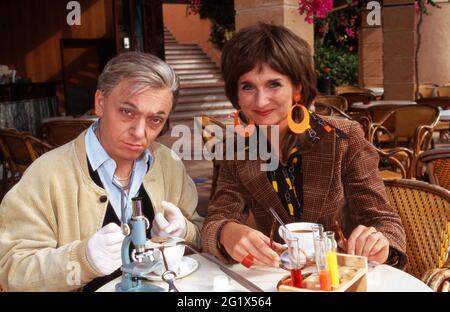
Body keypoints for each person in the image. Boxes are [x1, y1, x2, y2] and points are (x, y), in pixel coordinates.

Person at [201, 23, 406, 269]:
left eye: (273, 84)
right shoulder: (237, 150)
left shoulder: (342, 138)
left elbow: (384, 221)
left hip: (342, 276)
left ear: (297, 87)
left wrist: (380, 243)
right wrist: (225, 231)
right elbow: (215, 220)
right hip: (279, 280)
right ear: (236, 94)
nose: (260, 100)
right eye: (247, 87)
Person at [0, 52, 203, 291]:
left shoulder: (169, 164)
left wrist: (185, 231)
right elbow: (11, 270)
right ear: (100, 103)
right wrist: (82, 259)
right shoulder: (47, 174)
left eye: (155, 120)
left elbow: (201, 235)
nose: (140, 132)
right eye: (127, 112)